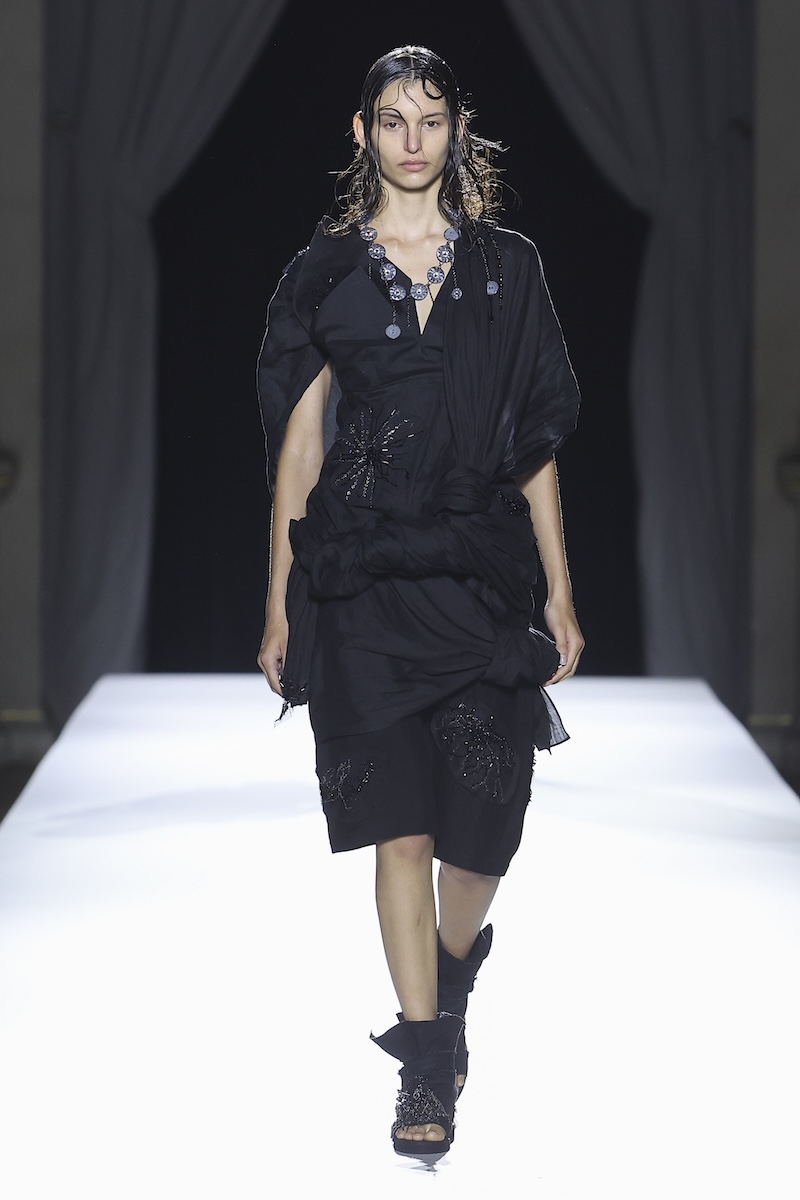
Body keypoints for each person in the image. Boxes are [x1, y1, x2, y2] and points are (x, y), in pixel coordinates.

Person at [256, 45, 584, 1164]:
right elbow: (300, 448)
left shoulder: (508, 270)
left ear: (456, 131)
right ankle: (425, 1063)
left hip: (477, 578)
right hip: (360, 582)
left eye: (430, 120)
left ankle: (449, 973)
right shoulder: (323, 276)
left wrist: (561, 592)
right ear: (361, 133)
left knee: (482, 832)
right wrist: (278, 602)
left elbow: (534, 445)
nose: (411, 140)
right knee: (399, 828)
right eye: (391, 120)